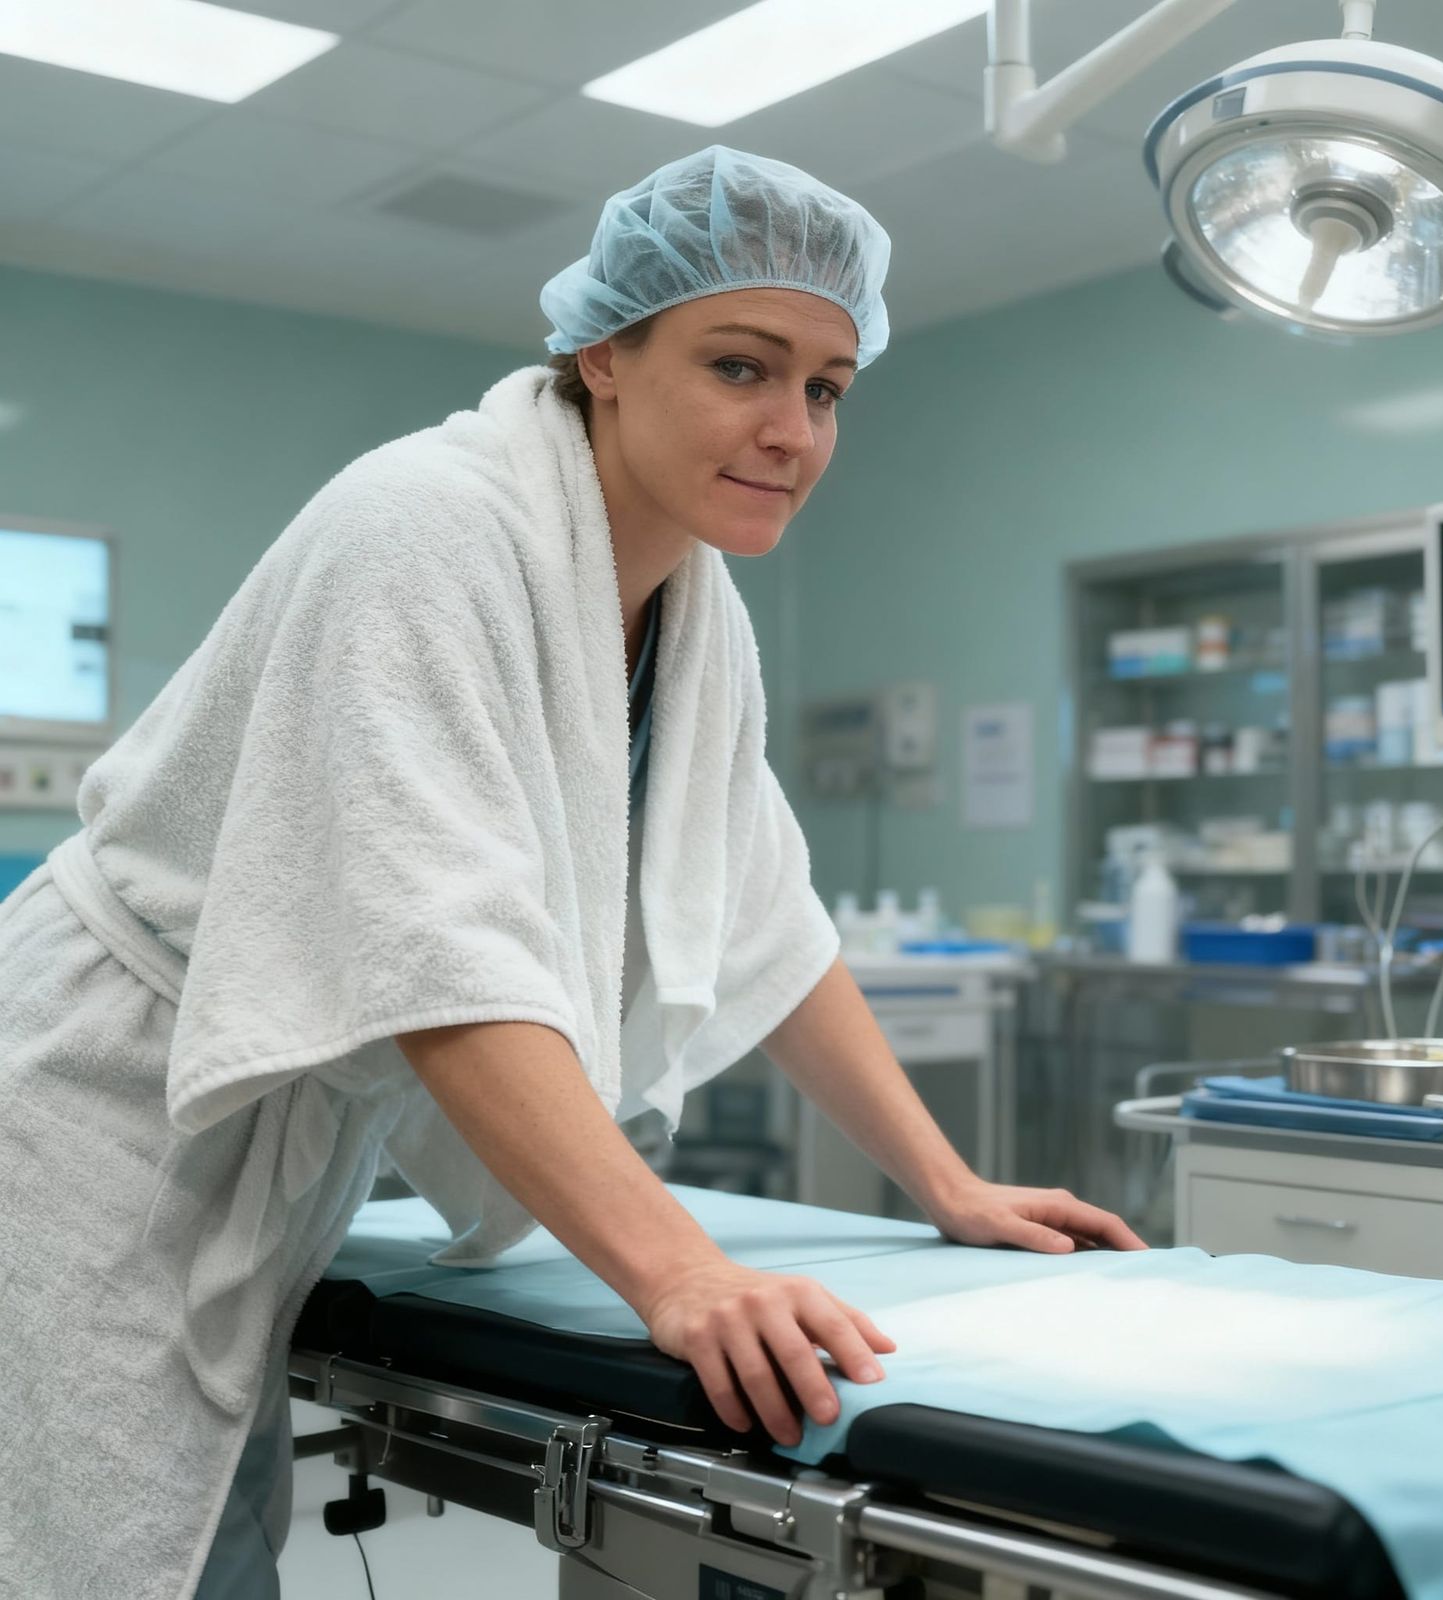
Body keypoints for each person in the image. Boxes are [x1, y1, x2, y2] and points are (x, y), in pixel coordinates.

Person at [0, 145, 1143, 1600]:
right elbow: (437, 962)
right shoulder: (417, 527)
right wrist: (677, 1271)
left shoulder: (689, 604)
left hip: (256, 1127)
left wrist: (949, 1179)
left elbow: (764, 917)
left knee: (197, 1521)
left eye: (828, 387)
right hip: (100, 1111)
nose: (793, 428)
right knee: (122, 1547)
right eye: (743, 366)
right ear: (606, 351)